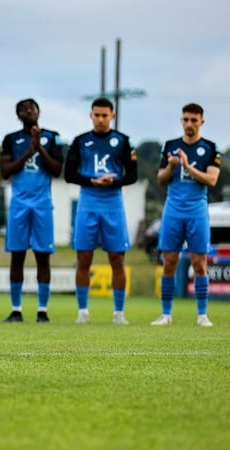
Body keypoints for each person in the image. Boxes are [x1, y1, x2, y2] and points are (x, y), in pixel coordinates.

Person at [64, 97, 137, 325]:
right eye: (97, 115)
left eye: (105, 115)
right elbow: (69, 174)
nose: (101, 119)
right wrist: (92, 181)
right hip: (88, 203)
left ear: (112, 116)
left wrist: (112, 182)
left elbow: (132, 175)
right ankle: (83, 311)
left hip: (113, 204)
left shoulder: (123, 141)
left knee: (117, 258)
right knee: (84, 258)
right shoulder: (80, 141)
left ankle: (118, 313)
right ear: (91, 115)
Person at [152, 103, 219, 327]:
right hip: (173, 210)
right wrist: (171, 166)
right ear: (181, 120)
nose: (189, 124)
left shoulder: (210, 148)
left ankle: (202, 315)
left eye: (193, 120)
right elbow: (160, 178)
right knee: (169, 261)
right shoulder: (170, 146)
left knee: (199, 262)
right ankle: (166, 314)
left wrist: (188, 166)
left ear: (202, 121)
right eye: (186, 119)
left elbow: (211, 180)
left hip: (197, 210)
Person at [0, 99, 64, 323]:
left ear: (39, 112)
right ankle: (16, 310)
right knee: (17, 256)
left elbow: (56, 170)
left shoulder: (53, 137)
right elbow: (5, 171)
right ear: (19, 115)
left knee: (42, 257)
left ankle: (42, 311)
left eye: (32, 108)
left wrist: (40, 148)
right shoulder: (10, 139)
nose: (29, 112)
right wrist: (28, 152)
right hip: (19, 204)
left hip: (42, 204)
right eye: (24, 110)